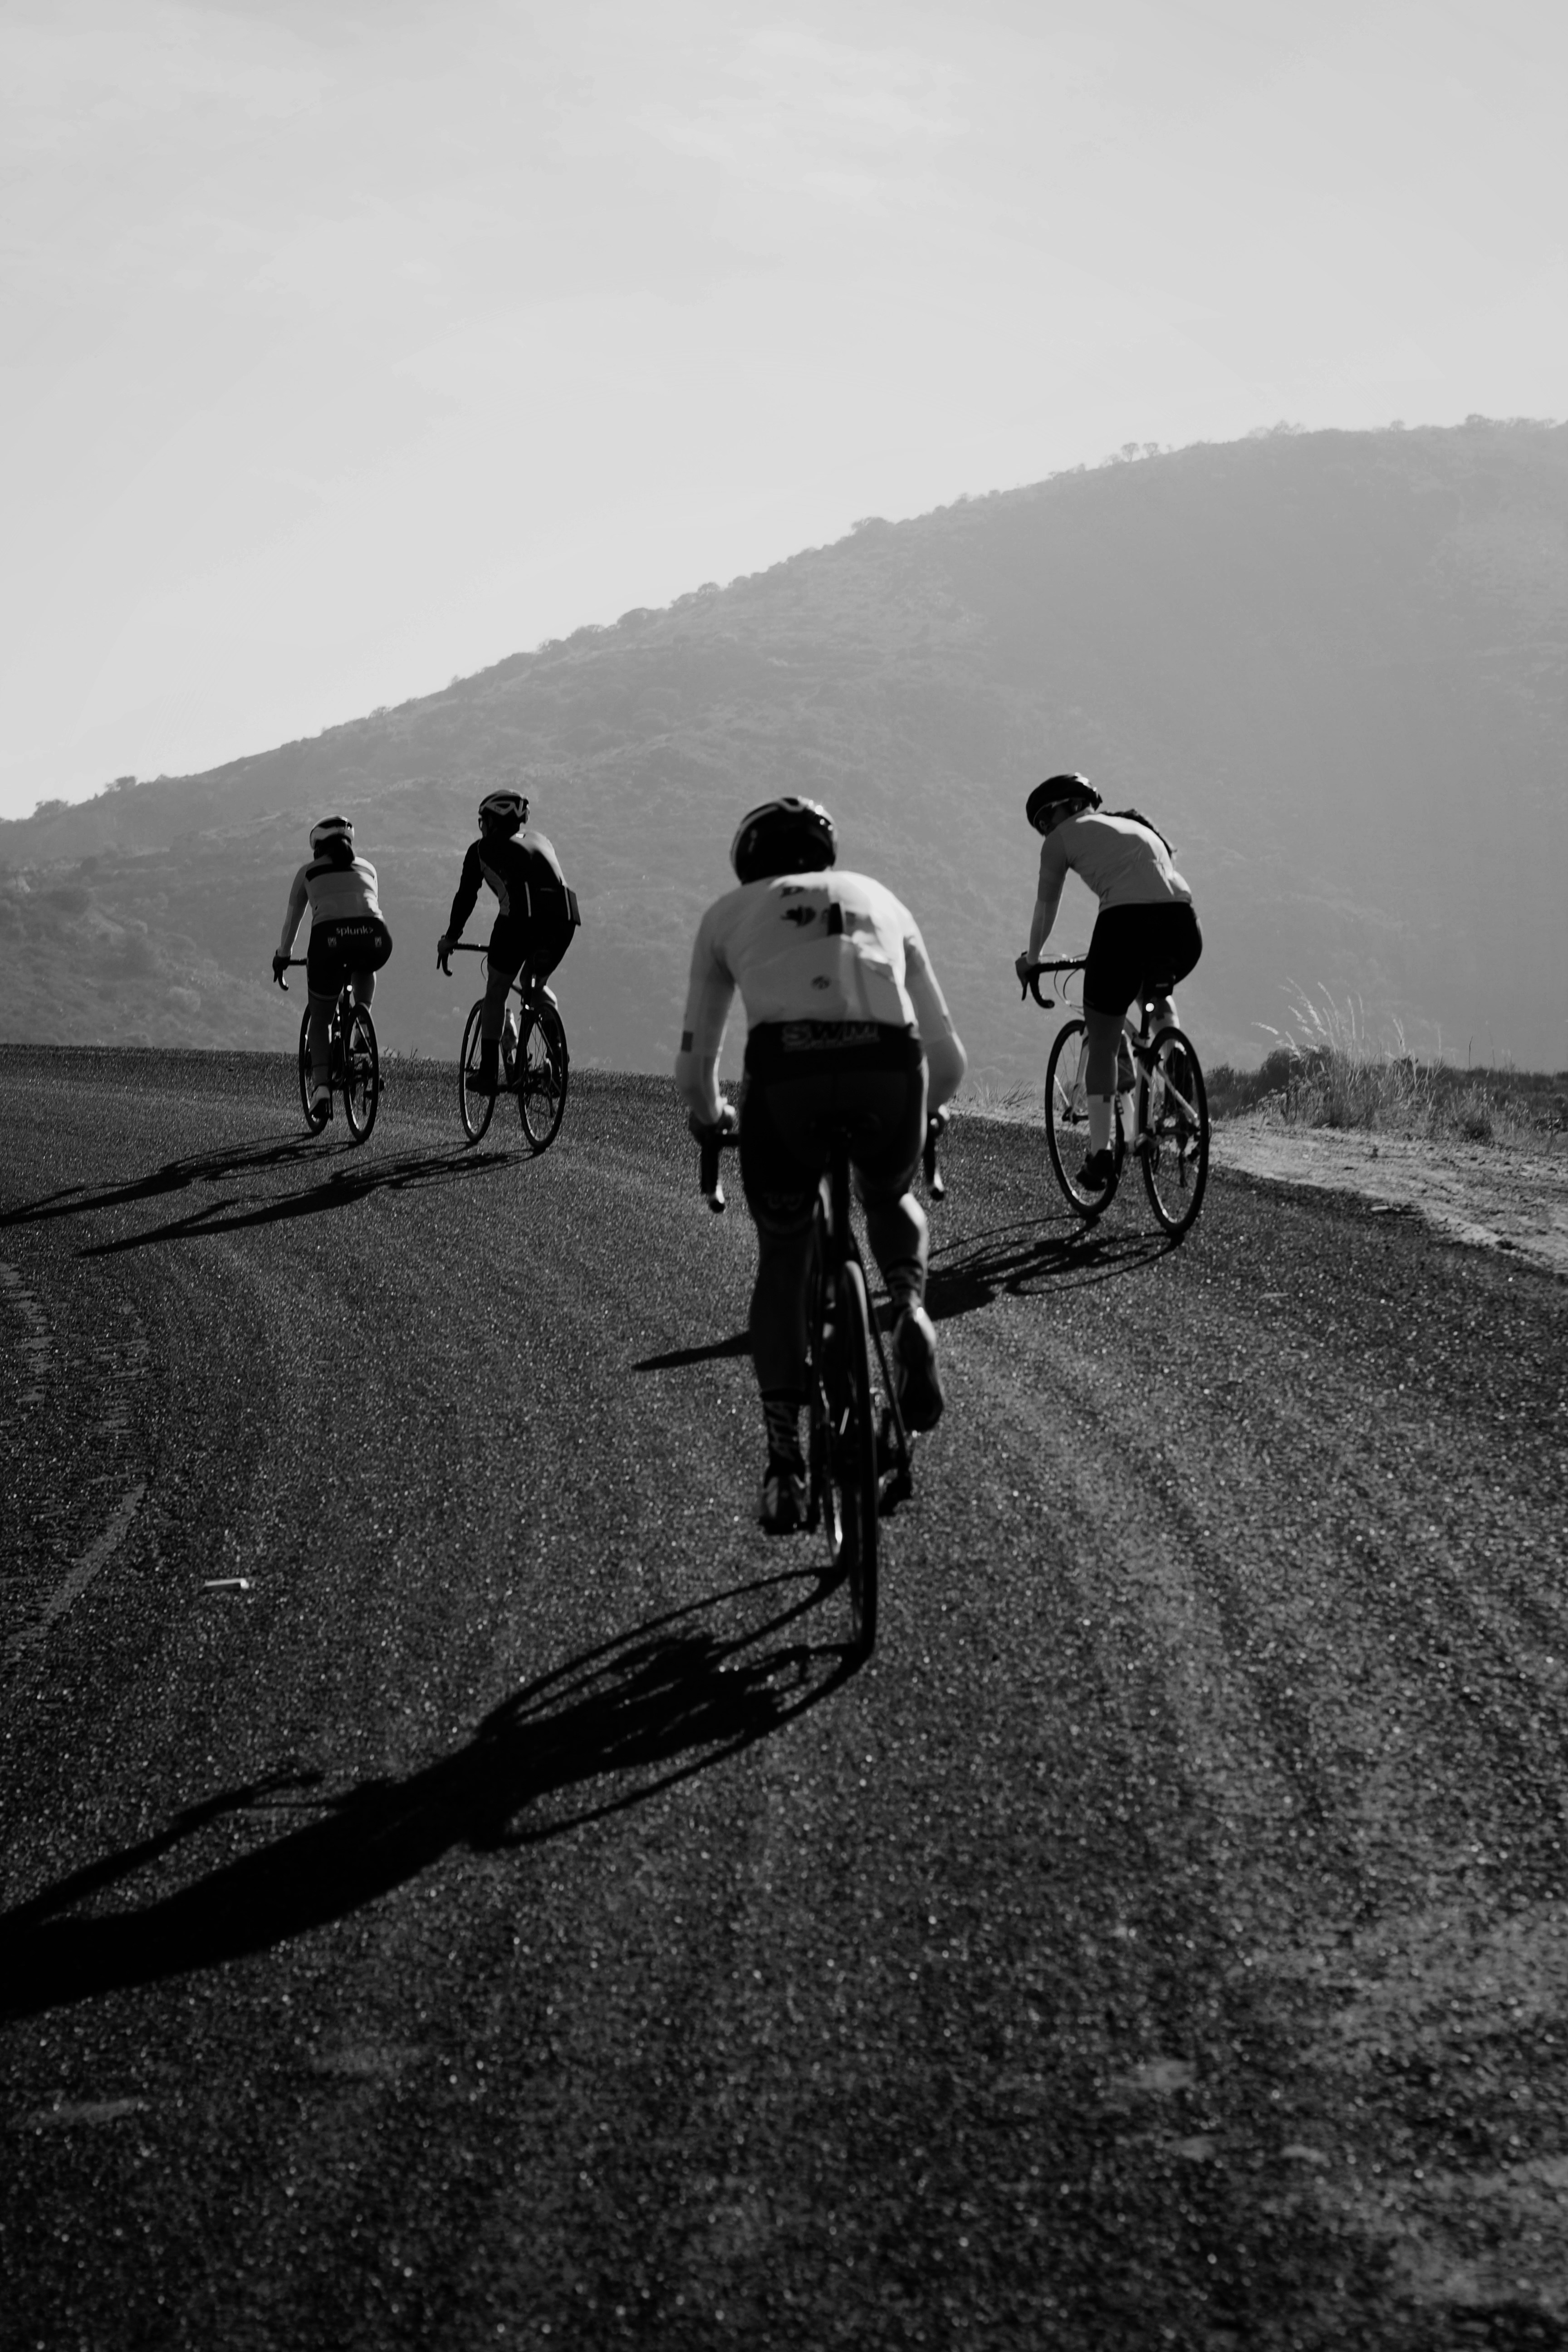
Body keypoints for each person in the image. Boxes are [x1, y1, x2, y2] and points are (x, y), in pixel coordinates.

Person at [676, 795, 967, 1535]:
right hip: (891, 1066)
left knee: (782, 1251)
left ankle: (784, 1467)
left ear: (748, 861)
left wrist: (711, 1120)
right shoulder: (881, 898)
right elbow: (948, 1054)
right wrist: (930, 1111)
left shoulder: (728, 913)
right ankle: (908, 1309)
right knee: (889, 1194)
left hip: (787, 1076)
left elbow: (697, 1062)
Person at [1014, 773, 1201, 1189]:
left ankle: (1100, 1155)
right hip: (1183, 926)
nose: (1046, 830)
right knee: (1154, 996)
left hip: (1124, 925)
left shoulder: (1061, 840)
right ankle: (1176, 1073)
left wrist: (1031, 961)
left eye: (1046, 820)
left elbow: (1046, 907)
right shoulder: (1136, 825)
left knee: (1102, 1039)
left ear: (1066, 808)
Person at [436, 788, 578, 1095]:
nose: (482, 827)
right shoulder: (542, 839)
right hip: (565, 919)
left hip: (519, 922)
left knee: (497, 990)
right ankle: (557, 1059)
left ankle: (488, 1073)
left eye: (483, 820)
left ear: (493, 820)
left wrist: (450, 938)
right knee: (534, 984)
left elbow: (466, 898)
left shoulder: (481, 850)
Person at [272, 817, 392, 1116]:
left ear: (318, 848)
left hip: (329, 943)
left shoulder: (307, 872)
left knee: (322, 1018)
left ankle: (322, 1088)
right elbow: (367, 907)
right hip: (376, 937)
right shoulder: (368, 868)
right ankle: (362, 1021)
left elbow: (292, 924)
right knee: (365, 965)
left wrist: (283, 956)